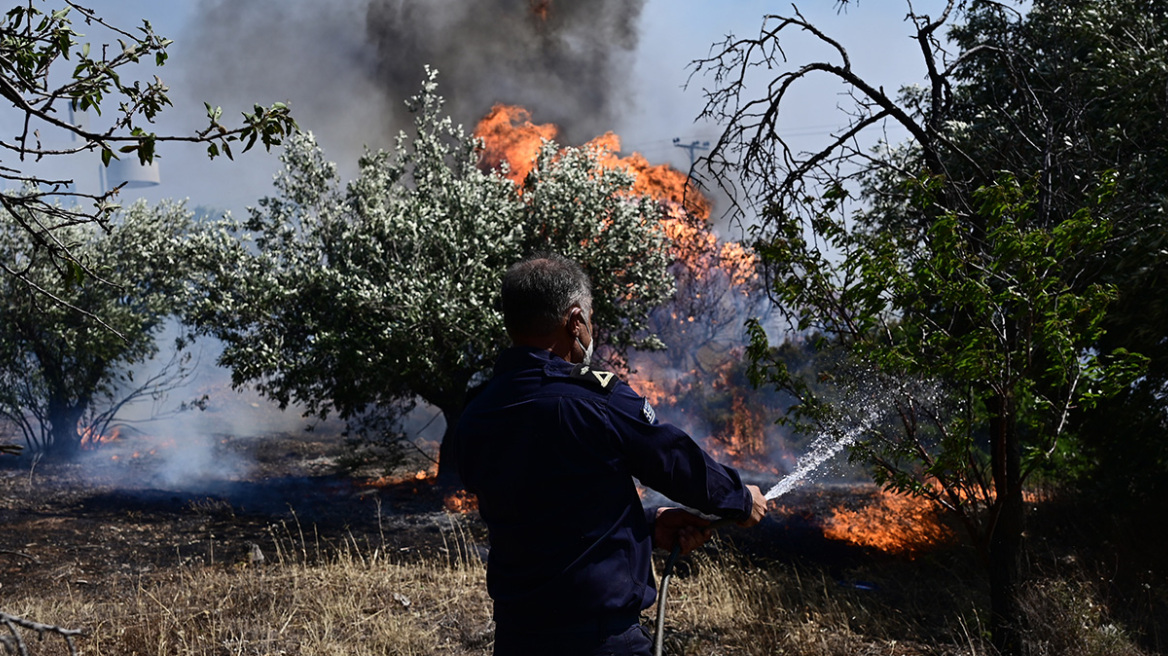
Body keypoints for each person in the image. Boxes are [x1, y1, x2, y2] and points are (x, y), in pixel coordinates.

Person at [454, 253, 768, 656]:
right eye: (589, 318)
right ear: (575, 321)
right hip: (598, 640)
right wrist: (740, 499)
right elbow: (671, 457)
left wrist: (647, 525)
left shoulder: (477, 412)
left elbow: (543, 507)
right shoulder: (594, 398)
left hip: (516, 638)